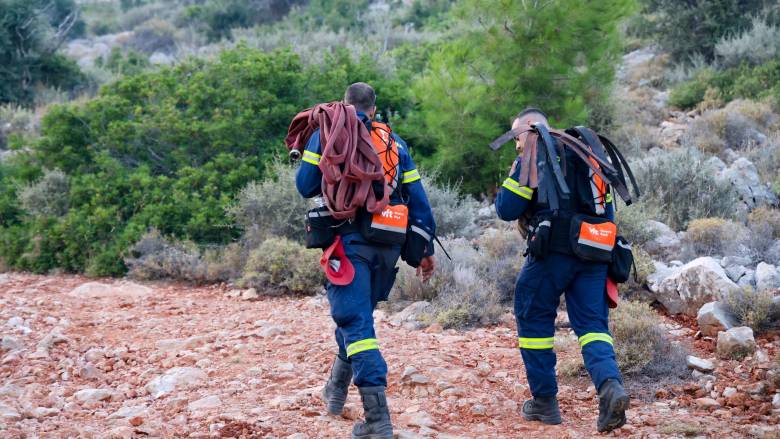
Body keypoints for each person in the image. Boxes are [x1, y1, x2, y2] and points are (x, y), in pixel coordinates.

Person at [295, 82, 436, 439]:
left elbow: (305, 185)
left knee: (356, 326)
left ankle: (378, 420)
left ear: (344, 104)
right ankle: (335, 392)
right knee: (357, 317)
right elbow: (418, 200)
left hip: (349, 245)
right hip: (388, 246)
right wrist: (425, 250)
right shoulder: (395, 142)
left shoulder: (330, 132)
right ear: (373, 109)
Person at [495, 108, 630, 433]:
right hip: (595, 250)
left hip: (553, 253)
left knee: (533, 318)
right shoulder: (586, 153)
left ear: (530, 129)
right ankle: (611, 387)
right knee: (593, 326)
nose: (517, 146)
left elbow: (506, 208)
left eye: (517, 139)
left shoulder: (536, 153)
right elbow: (606, 209)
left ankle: (544, 403)